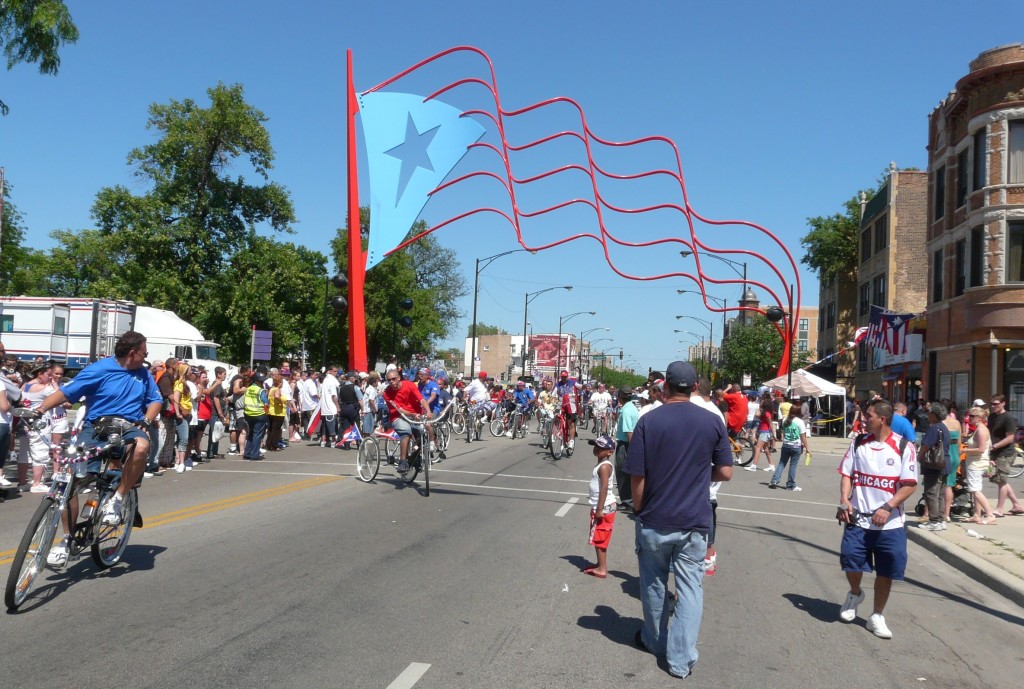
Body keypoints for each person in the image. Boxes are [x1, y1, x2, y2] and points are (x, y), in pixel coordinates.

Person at [625, 362, 733, 679]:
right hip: (694, 521)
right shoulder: (713, 421)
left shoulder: (648, 420)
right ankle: (680, 659)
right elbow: (725, 471)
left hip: (655, 519)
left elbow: (637, 476)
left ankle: (656, 641)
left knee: (654, 585)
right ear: (694, 388)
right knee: (690, 590)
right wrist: (699, 475)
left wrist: (641, 508)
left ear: (667, 386)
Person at [37, 331, 161, 565]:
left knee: (142, 446)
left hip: (128, 426)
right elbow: (66, 392)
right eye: (144, 353)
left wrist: (145, 420)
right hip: (96, 427)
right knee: (71, 480)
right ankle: (67, 539)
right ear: (132, 353)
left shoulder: (144, 374)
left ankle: (118, 498)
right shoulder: (99, 369)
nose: (146, 357)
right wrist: (39, 410)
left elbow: (155, 400)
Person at [837, 400, 918, 640]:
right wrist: (844, 499)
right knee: (851, 560)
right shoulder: (859, 443)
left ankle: (877, 615)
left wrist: (887, 506)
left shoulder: (904, 447)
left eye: (868, 416)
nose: (863, 419)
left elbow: (910, 485)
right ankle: (854, 593)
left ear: (882, 419)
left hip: (889, 524)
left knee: (887, 569)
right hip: (858, 519)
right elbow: (846, 474)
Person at [690, 377, 727, 576]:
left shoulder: (702, 410)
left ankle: (707, 556)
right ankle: (709, 555)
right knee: (710, 507)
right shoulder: (716, 413)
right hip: (708, 476)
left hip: (696, 478)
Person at [381, 368, 431, 473]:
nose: (391, 382)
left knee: (423, 435)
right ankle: (403, 462)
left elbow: (421, 399)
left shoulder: (409, 385)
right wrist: (414, 414)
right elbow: (401, 410)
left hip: (414, 415)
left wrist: (428, 411)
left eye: (393, 379)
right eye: (389, 380)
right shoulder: (387, 393)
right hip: (398, 417)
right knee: (406, 432)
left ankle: (413, 458)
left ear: (399, 378)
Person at [582, 435, 617, 579]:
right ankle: (599, 564)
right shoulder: (601, 464)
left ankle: (602, 568)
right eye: (595, 446)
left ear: (609, 452)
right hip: (600, 506)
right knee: (598, 536)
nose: (596, 449)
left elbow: (603, 488)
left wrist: (600, 509)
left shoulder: (604, 467)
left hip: (604, 507)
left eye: (600, 447)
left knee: (601, 537)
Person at [987, 394, 1024, 516]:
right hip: (994, 453)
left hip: (1006, 453)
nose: (994, 406)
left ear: (1003, 403)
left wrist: (995, 446)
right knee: (999, 480)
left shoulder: (1009, 418)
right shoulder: (992, 417)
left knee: (1001, 481)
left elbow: (1010, 438)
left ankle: (999, 509)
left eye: (996, 404)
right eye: (992, 404)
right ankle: (1017, 505)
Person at [918, 403, 952, 531]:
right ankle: (941, 519)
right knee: (941, 494)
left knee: (931, 493)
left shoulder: (934, 429)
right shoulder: (944, 427)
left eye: (929, 413)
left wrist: (920, 455)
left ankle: (934, 521)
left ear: (934, 414)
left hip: (934, 465)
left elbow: (926, 445)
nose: (927, 415)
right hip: (945, 463)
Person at [962, 406, 997, 524]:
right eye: (968, 415)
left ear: (979, 418)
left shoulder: (981, 430)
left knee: (975, 490)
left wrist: (964, 451)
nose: (969, 418)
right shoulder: (979, 429)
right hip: (976, 462)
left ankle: (990, 514)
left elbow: (981, 449)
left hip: (977, 464)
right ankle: (977, 514)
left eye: (971, 416)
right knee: (975, 489)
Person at [771, 404, 811, 491]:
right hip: (796, 446)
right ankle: (790, 484)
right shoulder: (800, 421)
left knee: (782, 463)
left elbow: (784, 431)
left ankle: (775, 480)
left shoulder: (786, 420)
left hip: (786, 444)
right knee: (793, 465)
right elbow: (803, 436)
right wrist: (807, 448)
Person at [613, 386, 638, 510]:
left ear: (621, 397)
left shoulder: (627, 411)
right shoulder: (630, 408)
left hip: (625, 445)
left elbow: (629, 431)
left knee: (622, 472)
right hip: (627, 444)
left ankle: (627, 501)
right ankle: (629, 499)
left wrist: (632, 451)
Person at [941, 402, 963, 522]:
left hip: (943, 454)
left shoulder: (940, 423)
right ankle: (946, 513)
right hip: (954, 454)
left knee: (936, 484)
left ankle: (929, 512)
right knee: (949, 485)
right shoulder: (957, 423)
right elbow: (959, 442)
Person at [242, 372, 269, 460]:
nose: (262, 383)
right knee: (257, 434)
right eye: (260, 381)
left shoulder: (248, 389)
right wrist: (266, 414)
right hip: (259, 414)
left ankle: (247, 453)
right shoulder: (260, 391)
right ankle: (254, 454)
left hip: (248, 414)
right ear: (256, 381)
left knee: (251, 434)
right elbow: (266, 403)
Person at [746, 398, 776, 472]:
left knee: (758, 448)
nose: (760, 404)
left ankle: (754, 465)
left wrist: (774, 435)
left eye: (762, 403)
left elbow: (771, 424)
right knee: (766, 449)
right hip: (763, 431)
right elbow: (757, 415)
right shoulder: (765, 412)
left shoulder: (767, 413)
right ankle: (771, 465)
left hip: (764, 432)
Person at [555, 370, 579, 451]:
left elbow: (579, 386)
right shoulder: (558, 384)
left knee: (571, 422)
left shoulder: (572, 382)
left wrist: (584, 386)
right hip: (561, 403)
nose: (563, 378)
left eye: (565, 377)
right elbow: (553, 393)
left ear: (567, 376)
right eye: (562, 377)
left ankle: (571, 441)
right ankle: (558, 431)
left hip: (570, 404)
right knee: (556, 417)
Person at [318, 366, 341, 447]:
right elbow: (334, 396)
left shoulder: (325, 380)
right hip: (330, 407)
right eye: (335, 371)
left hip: (325, 407)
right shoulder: (331, 381)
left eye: (336, 371)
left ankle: (323, 441)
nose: (336, 373)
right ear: (330, 371)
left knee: (324, 426)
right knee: (332, 425)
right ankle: (333, 441)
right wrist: (338, 407)